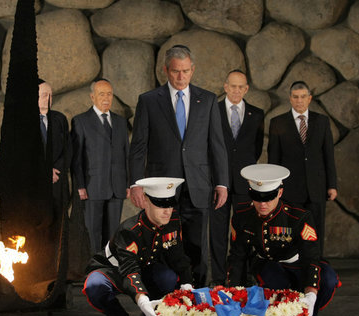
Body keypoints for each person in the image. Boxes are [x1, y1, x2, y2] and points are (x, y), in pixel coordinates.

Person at [129, 45, 229, 287]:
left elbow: (217, 145)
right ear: (165, 70)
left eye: (185, 71)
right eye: (175, 71)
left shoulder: (207, 100)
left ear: (192, 70)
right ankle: (165, 299)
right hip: (161, 190)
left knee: (197, 247)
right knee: (162, 246)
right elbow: (138, 147)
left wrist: (222, 183)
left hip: (198, 186)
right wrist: (134, 184)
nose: (181, 77)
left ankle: (198, 299)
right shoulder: (149, 101)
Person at [226, 164, 340, 316]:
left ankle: (308, 311)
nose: (262, 204)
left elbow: (311, 257)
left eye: (268, 197)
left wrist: (311, 294)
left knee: (327, 279)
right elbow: (237, 256)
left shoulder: (299, 217)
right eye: (257, 198)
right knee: (275, 294)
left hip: (298, 264)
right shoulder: (242, 215)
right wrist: (232, 292)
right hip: (268, 265)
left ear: (280, 192)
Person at [83, 177, 193, 316]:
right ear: (146, 201)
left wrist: (187, 284)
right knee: (95, 287)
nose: (167, 211)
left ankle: (149, 315)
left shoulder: (172, 221)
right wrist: (141, 300)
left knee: (169, 278)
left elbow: (178, 257)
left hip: (144, 266)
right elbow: (129, 270)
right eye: (160, 205)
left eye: (170, 205)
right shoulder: (129, 230)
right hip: (112, 269)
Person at [268, 81, 337, 255]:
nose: (299, 101)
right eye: (296, 97)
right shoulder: (278, 122)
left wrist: (332, 185)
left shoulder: (322, 121)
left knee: (316, 230)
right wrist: (275, 188)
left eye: (303, 97)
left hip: (316, 187)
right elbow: (273, 160)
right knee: (290, 231)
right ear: (290, 99)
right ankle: (293, 268)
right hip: (290, 189)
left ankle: (315, 268)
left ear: (309, 99)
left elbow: (328, 156)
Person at [209, 69, 264, 286]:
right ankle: (219, 278)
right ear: (225, 86)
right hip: (218, 183)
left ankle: (240, 278)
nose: (236, 90)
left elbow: (256, 149)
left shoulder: (257, 114)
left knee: (243, 233)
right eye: (233, 86)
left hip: (244, 183)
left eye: (241, 86)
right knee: (218, 234)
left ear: (247, 89)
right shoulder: (213, 111)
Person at [71, 78, 129, 254]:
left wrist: (128, 184)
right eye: (101, 94)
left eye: (109, 94)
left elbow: (126, 154)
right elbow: (77, 158)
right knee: (93, 234)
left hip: (117, 186)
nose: (106, 98)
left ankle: (110, 271)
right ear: (92, 97)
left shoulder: (120, 122)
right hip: (92, 186)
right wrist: (80, 185)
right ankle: (95, 271)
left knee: (113, 234)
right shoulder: (80, 121)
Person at [38, 79, 71, 223]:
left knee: (59, 224)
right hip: (34, 184)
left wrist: (56, 169)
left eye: (51, 95)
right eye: (45, 95)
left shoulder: (60, 119)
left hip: (58, 182)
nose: (49, 99)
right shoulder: (21, 121)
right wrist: (45, 171)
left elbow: (68, 148)